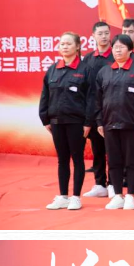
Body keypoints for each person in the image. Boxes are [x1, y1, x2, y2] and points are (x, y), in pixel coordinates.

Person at [96, 33, 134, 211]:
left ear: (130, 50)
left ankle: (130, 195)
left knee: (132, 161)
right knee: (114, 161)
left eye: (121, 47)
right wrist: (99, 121)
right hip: (109, 123)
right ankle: (118, 195)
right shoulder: (104, 72)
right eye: (115, 47)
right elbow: (97, 99)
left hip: (132, 124)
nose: (117, 50)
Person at [39, 31, 91, 211]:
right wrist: (45, 118)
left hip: (77, 122)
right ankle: (63, 196)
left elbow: (91, 98)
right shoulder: (53, 69)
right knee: (62, 160)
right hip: (56, 122)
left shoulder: (85, 70)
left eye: (69, 44)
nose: (65, 47)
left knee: (77, 158)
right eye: (62, 44)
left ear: (77, 47)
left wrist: (88, 122)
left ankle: (76, 197)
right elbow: (45, 95)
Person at [83, 20, 114, 198]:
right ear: (93, 36)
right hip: (94, 111)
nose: (104, 36)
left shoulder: (115, 56)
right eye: (100, 33)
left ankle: (113, 184)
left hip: (112, 110)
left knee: (113, 149)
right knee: (98, 150)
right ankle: (99, 183)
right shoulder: (88, 59)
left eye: (106, 33)